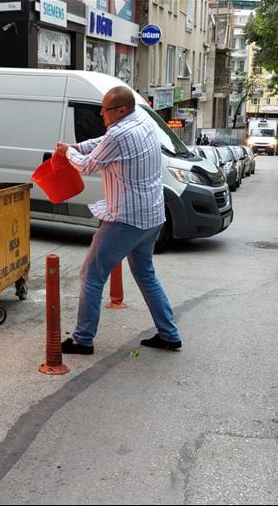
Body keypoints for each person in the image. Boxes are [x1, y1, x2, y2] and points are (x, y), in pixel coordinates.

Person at [54, 86, 182, 354]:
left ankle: (82, 340)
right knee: (146, 275)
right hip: (152, 217)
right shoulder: (142, 120)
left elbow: (88, 165)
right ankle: (169, 334)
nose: (101, 113)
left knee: (91, 275)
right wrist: (77, 146)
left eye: (105, 110)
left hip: (126, 219)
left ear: (121, 110)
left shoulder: (120, 133)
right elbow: (102, 143)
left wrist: (67, 152)